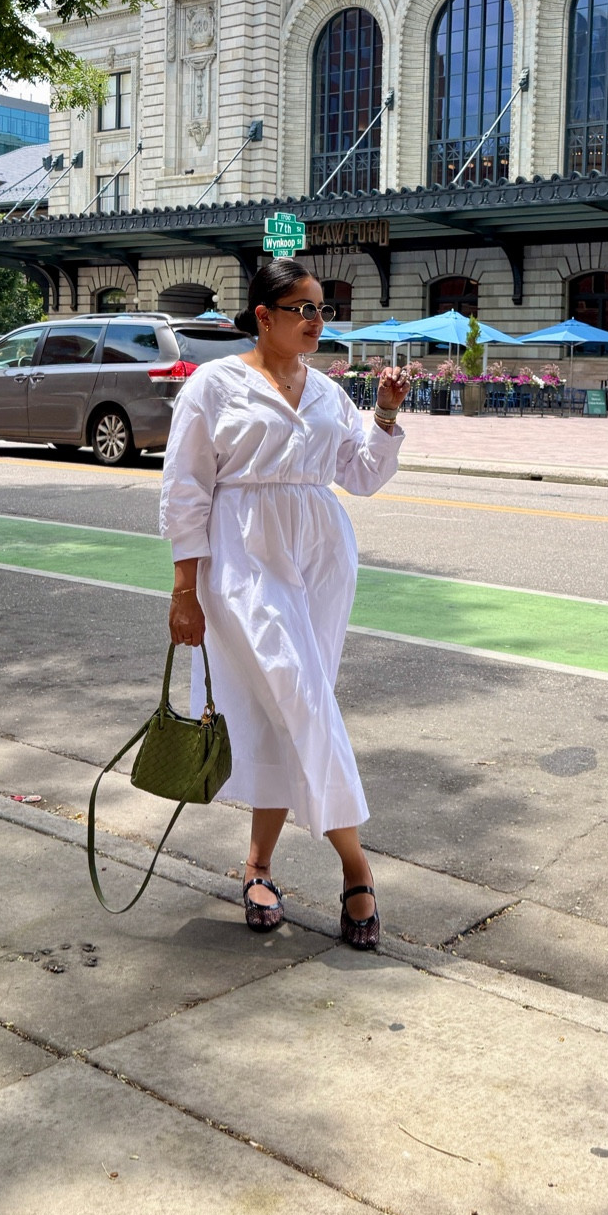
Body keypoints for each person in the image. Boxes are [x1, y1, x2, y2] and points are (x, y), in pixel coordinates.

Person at [160, 258, 408, 949]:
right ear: (264, 316)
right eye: (303, 308)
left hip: (321, 559)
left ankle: (259, 865)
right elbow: (184, 490)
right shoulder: (215, 385)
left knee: (291, 708)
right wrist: (184, 590)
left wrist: (386, 413)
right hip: (243, 559)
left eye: (322, 309)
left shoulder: (327, 392)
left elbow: (361, 475)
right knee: (301, 699)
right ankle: (356, 867)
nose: (316, 321)